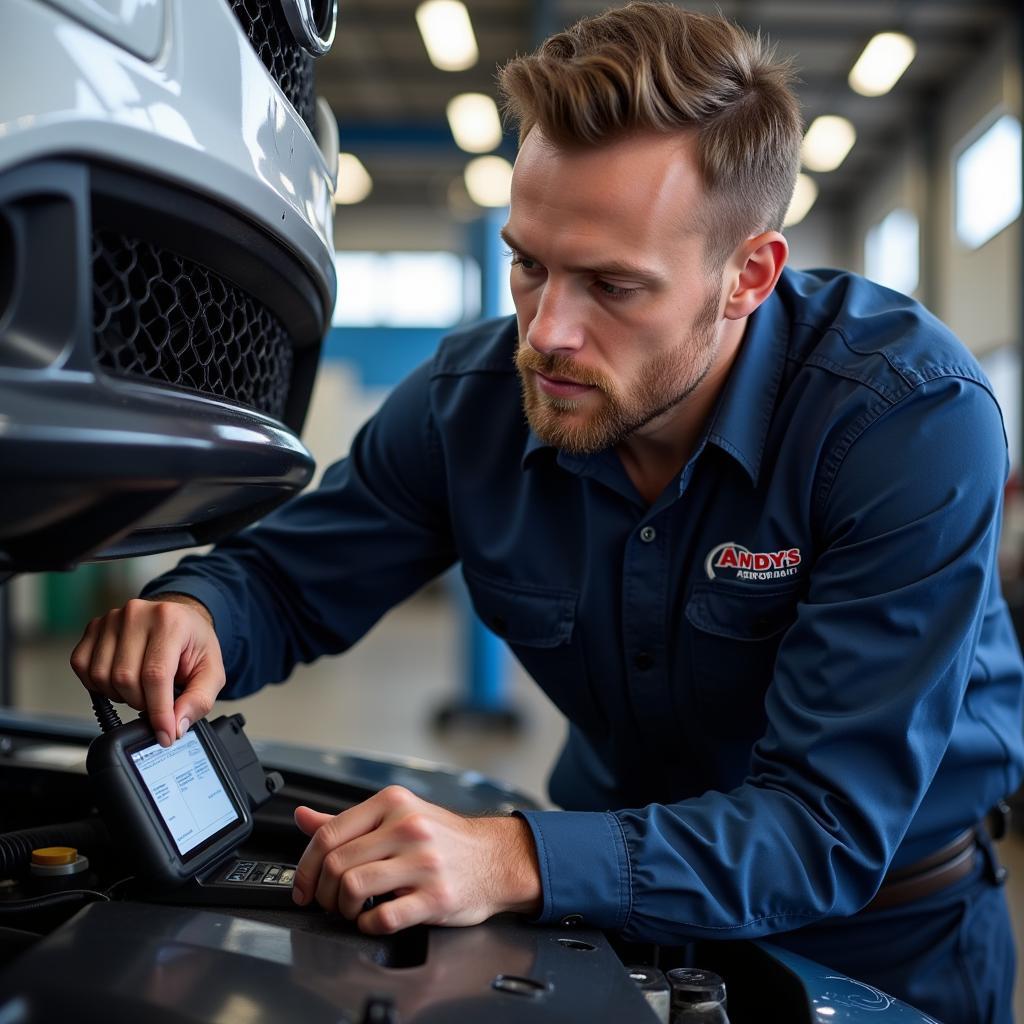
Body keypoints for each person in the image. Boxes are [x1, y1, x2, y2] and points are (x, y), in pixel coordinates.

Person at [71, 4, 1022, 1021]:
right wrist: (202, 613)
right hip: (611, 909)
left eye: (612, 285)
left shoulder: (902, 423)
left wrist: (515, 854)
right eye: (529, 263)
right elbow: (286, 580)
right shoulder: (470, 401)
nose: (546, 333)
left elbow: (822, 825)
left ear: (747, 276)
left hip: (881, 936)